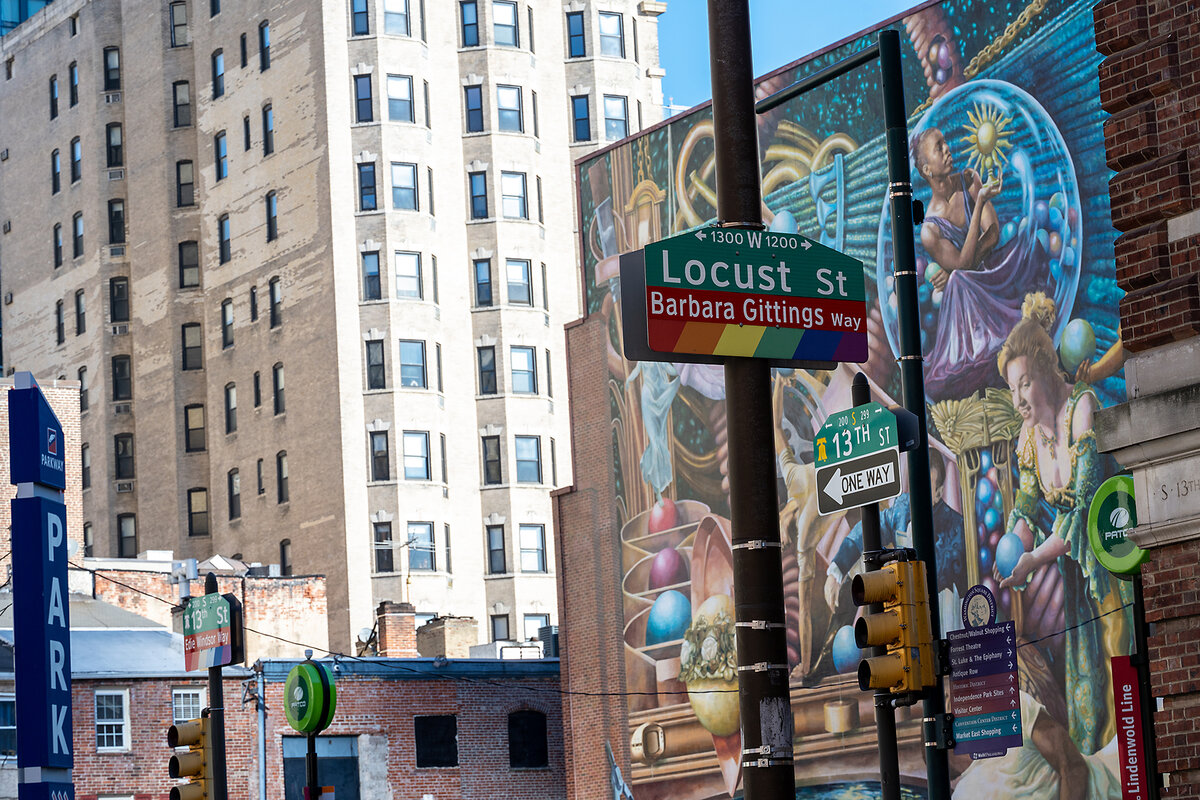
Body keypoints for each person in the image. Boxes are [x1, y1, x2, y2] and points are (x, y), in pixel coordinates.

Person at [997, 293, 1132, 756]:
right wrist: (1016, 551)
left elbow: (1081, 516)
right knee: (1086, 683)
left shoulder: (1082, 411)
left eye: (1025, 384)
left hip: (1112, 564)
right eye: (1012, 389)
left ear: (1048, 373)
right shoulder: (1029, 440)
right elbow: (1029, 508)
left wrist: (1033, 558)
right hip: (1078, 577)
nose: (1017, 400)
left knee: (1121, 663)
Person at [910, 126, 1050, 399]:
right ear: (927, 170)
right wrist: (981, 202)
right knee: (960, 282)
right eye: (939, 147)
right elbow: (963, 265)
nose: (948, 149)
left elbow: (994, 233)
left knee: (1024, 246)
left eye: (945, 142)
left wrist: (964, 264)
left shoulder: (969, 179)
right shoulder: (929, 231)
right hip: (969, 292)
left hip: (994, 270)